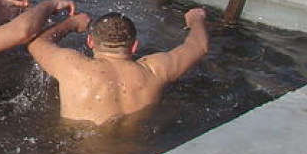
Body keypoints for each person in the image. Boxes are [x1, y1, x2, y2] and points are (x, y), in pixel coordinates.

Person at [27, 9, 209, 126]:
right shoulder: (155, 70)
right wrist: (196, 19)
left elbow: (36, 43)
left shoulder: (73, 67)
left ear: (90, 41)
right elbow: (199, 46)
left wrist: (71, 24)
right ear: (134, 46)